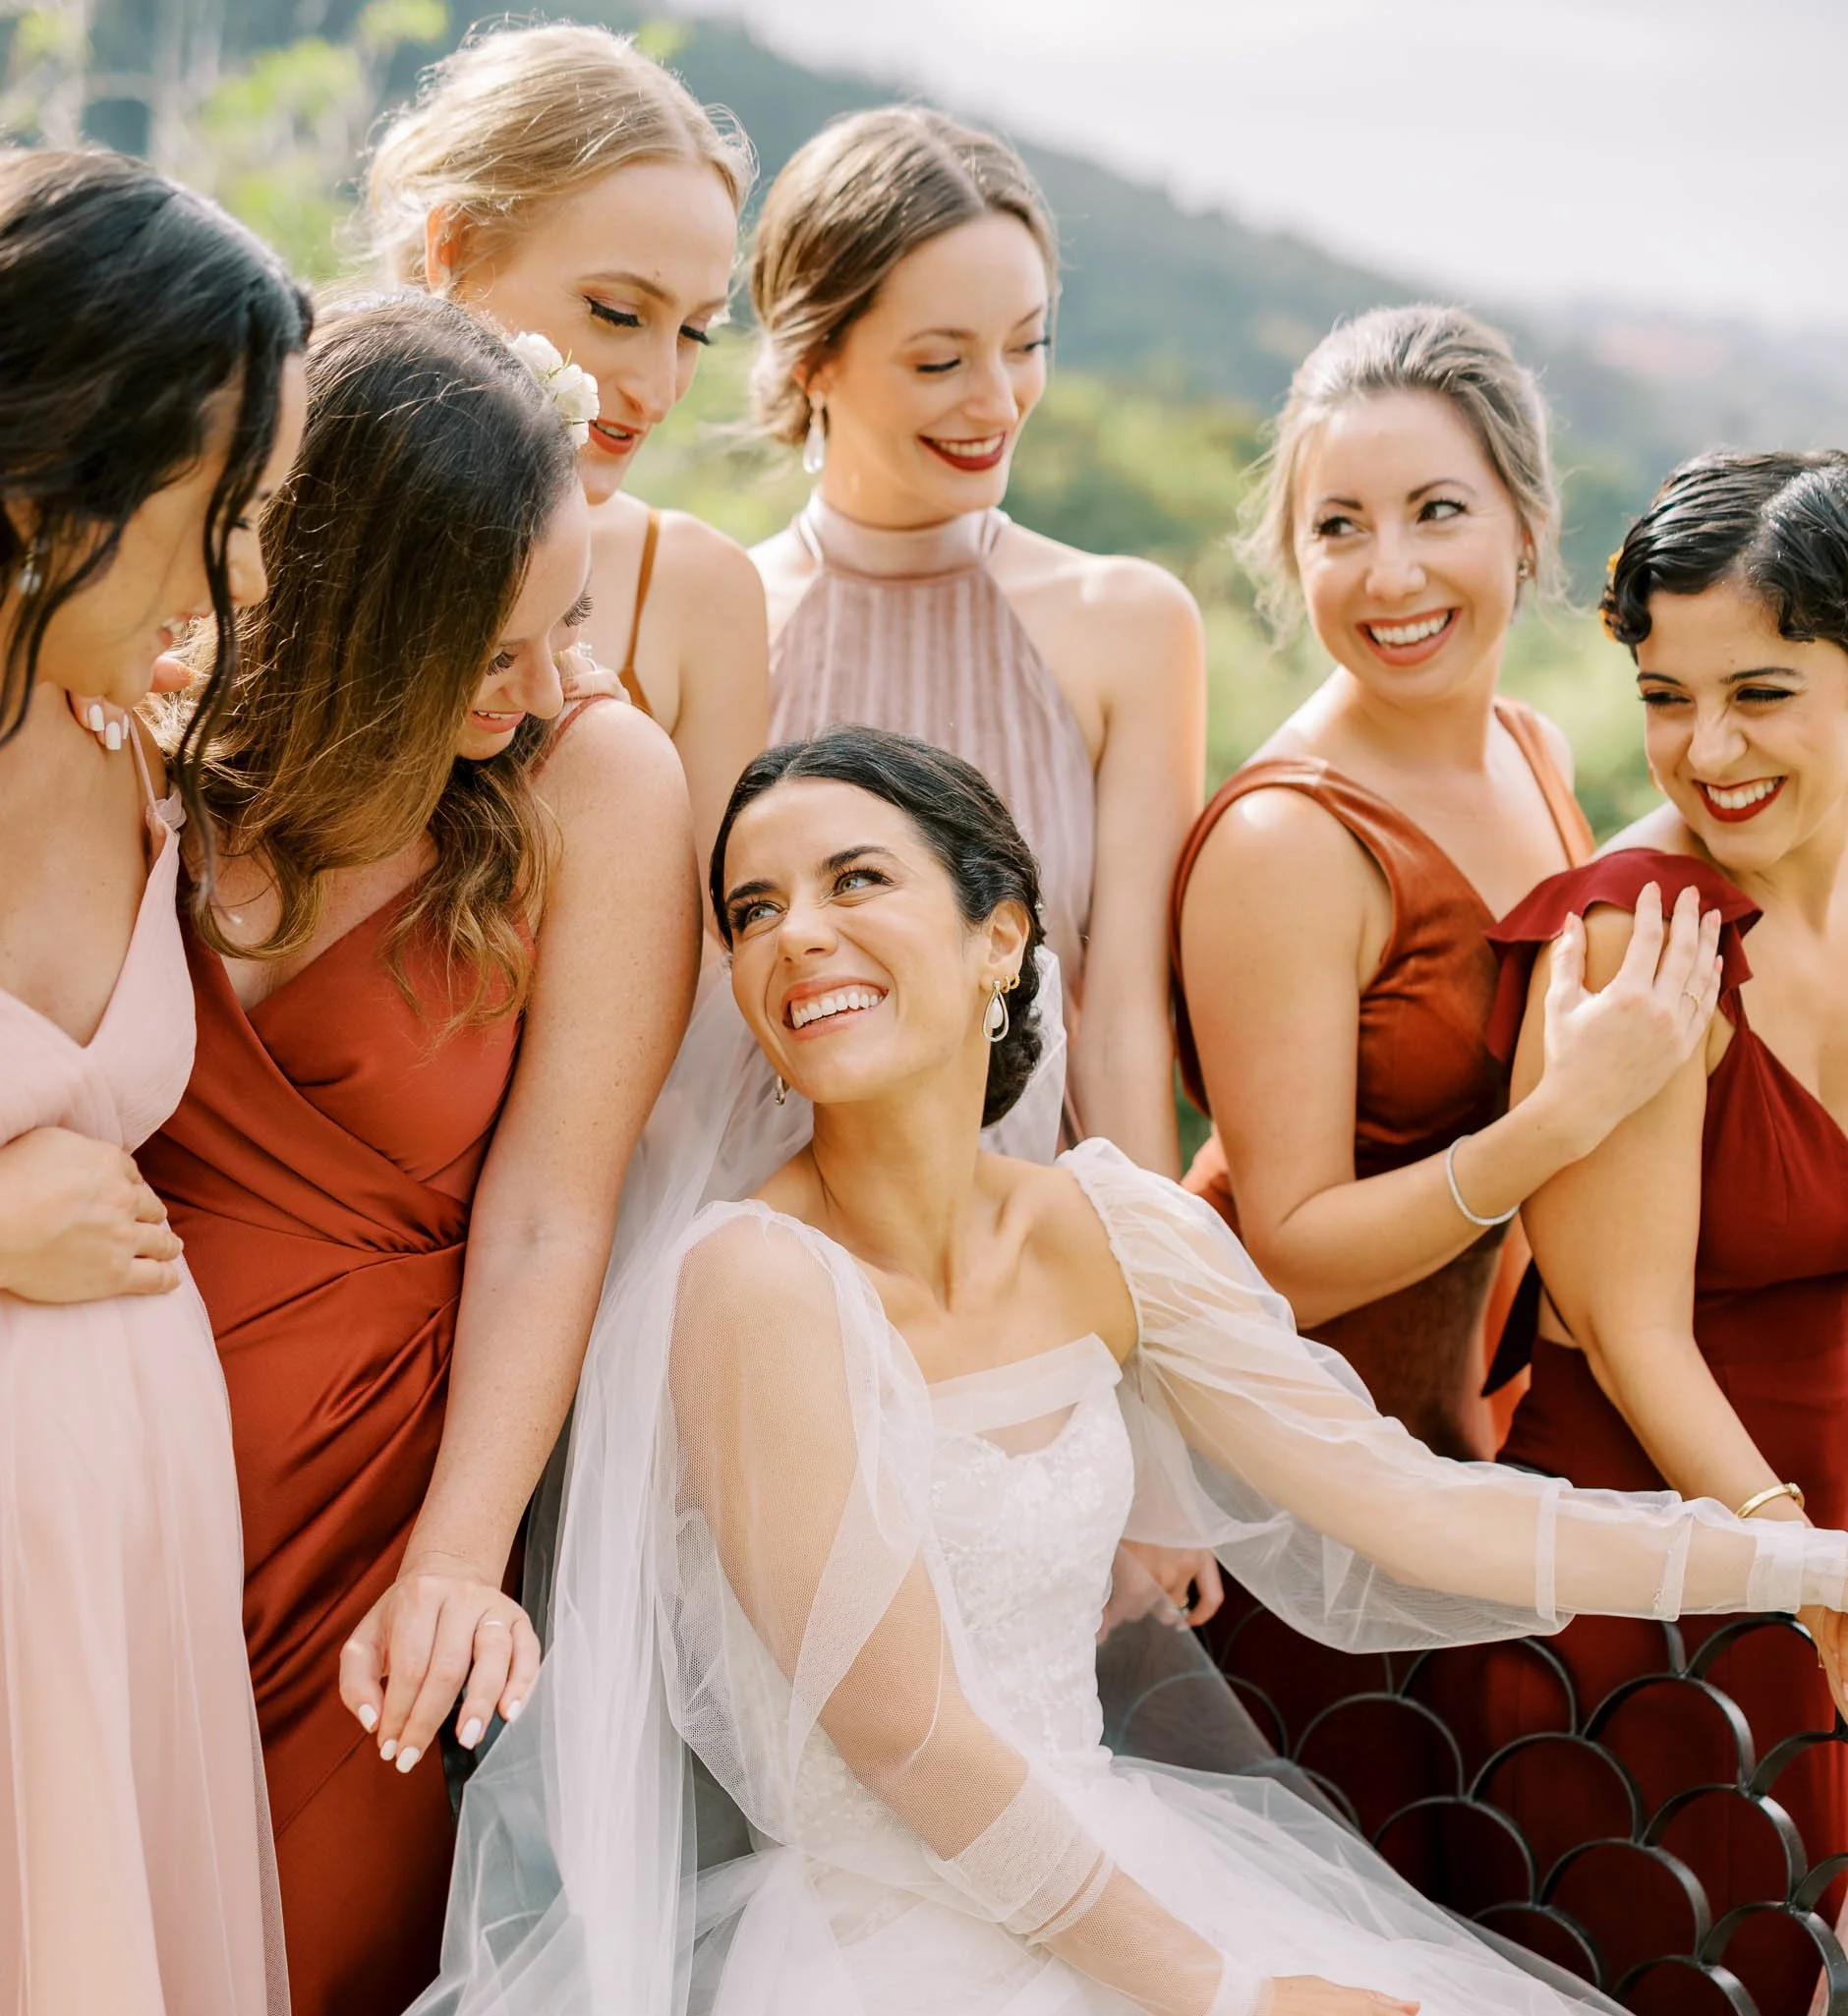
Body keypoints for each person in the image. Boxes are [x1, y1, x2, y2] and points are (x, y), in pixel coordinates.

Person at [32, 725, 1848, 2016]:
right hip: (905, 1988)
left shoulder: (1114, 1227)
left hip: (1130, 1875)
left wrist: (1794, 1557)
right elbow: (902, 1728)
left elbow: (1407, 1510)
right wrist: (1229, 2013)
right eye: (752, 911)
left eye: (852, 881)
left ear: (1002, 934)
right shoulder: (750, 1280)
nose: (796, 936)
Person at [137, 292, 699, 2016]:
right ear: (349, 615)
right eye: (491, 646)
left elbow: (550, 1214)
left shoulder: (594, 784)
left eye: (568, 627)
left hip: (367, 1530)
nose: (543, 688)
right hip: (86, 1471)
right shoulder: (130, 738)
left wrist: (457, 1557)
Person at [1171, 304, 1724, 1758]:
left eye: (1436, 512)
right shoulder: (1286, 842)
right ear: (1293, 558)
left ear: (1528, 530)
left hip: (1443, 1437)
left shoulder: (1533, 750)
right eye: (1338, 525)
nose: (1392, 572)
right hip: (1274, 1480)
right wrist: (1559, 1124)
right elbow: (1284, 1247)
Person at [0, 149, 308, 2016]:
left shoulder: (131, 743)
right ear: (59, 467)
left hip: (125, 1494)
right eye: (213, 507)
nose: (228, 572)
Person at [1489, 450, 1848, 2016]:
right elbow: (1627, 1334)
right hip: (1680, 1562)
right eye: (1666, 695)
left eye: (1762, 693)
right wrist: (1812, 1583)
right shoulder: (1638, 933)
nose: (1712, 752)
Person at [749, 107, 1201, 1175]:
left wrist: (1156, 1294)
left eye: (1026, 343)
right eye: (941, 360)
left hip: (1036, 1260)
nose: (998, 402)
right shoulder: (725, 618)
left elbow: (1122, 1014)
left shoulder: (1126, 624)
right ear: (813, 357)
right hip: (774, 1249)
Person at [365, 20, 766, 859]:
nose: (659, 390)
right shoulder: (267, 507)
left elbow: (713, 960)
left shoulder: (697, 591)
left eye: (696, 332)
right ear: (456, 246)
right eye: (616, 313)